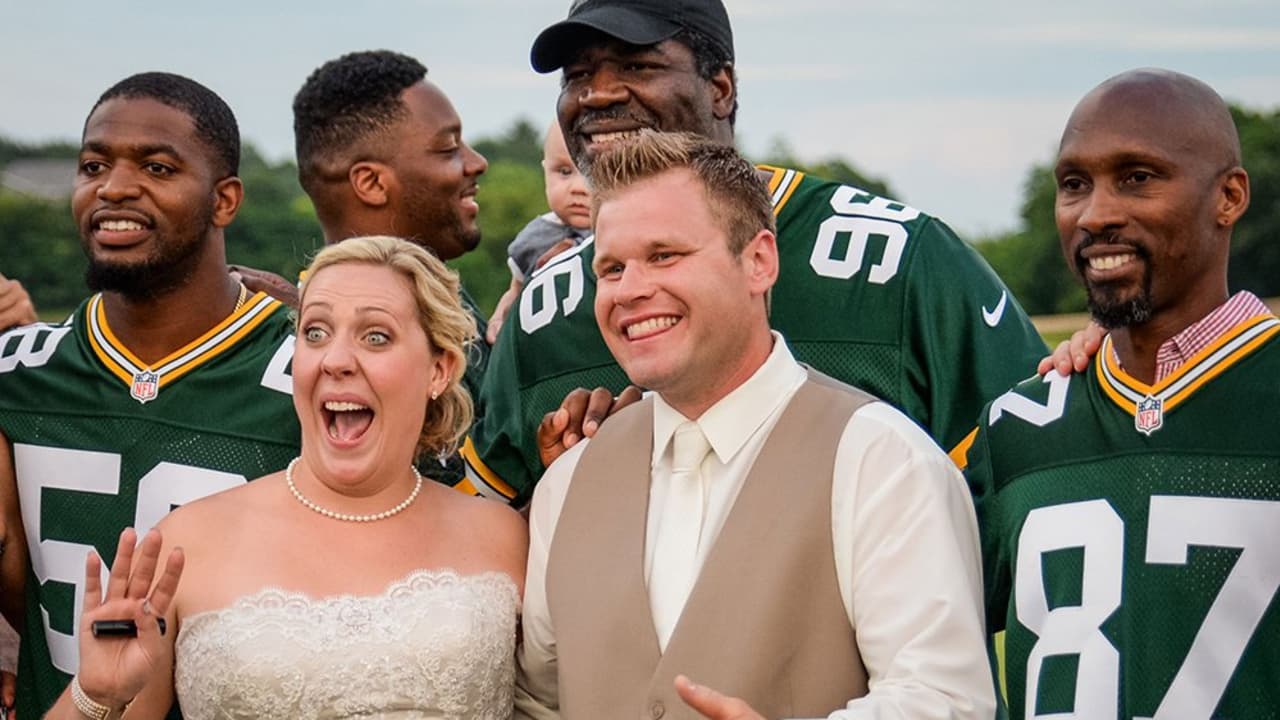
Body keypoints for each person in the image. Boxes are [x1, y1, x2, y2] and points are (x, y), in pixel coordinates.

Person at [463, 0, 1048, 505]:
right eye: (577, 74)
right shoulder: (547, 304)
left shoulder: (900, 259)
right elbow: (487, 539)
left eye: (638, 65)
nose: (600, 94)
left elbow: (1036, 480)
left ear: (720, 89)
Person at [516, 131, 994, 719]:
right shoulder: (568, 483)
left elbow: (944, 698)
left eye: (664, 255)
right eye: (611, 268)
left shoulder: (881, 459)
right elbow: (538, 699)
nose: (631, 290)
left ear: (759, 261)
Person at [44, 235, 528, 720]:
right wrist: (98, 695)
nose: (335, 360)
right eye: (315, 333)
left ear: (439, 370)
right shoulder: (187, 543)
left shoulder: (504, 536)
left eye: (375, 337)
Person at [962, 69, 1279, 719]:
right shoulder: (1019, 424)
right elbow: (903, 630)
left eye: (1138, 177)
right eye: (1074, 184)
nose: (1097, 213)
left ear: (1229, 196)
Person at [0, 72, 300, 718]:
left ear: (225, 201)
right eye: (92, 164)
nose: (114, 187)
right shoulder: (17, 376)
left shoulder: (313, 379)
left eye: (158, 167)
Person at [487, 121, 593, 344]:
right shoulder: (536, 236)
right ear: (545, 170)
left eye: (592, 173)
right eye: (564, 172)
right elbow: (515, 291)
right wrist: (500, 320)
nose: (579, 187)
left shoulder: (621, 235)